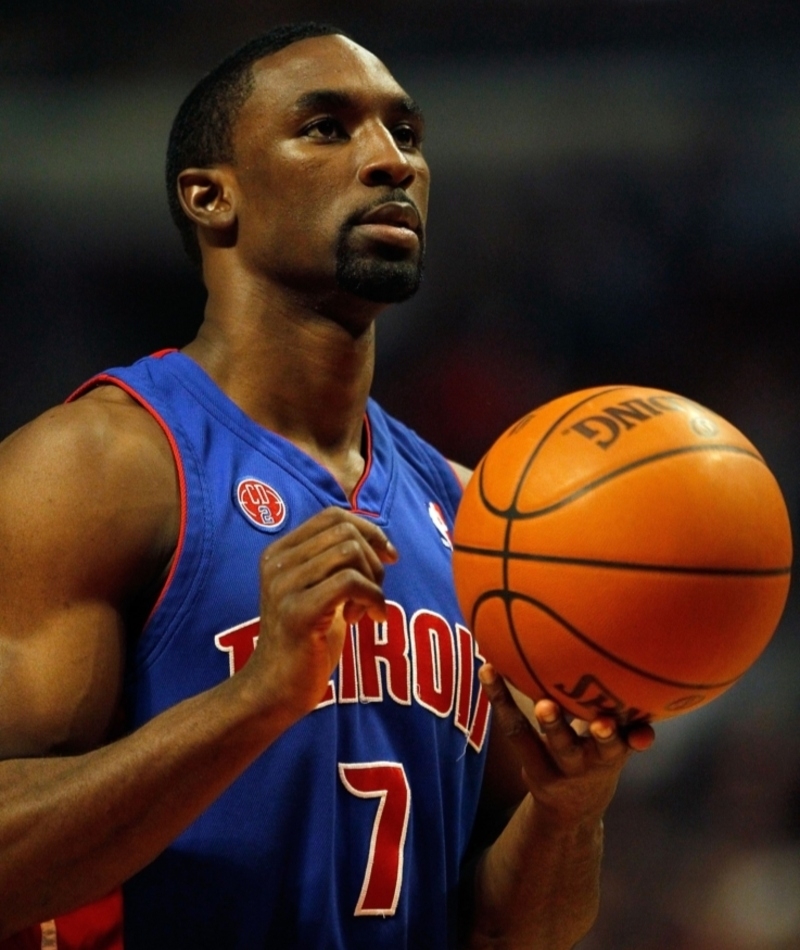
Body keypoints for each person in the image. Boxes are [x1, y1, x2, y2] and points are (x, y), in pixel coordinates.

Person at [0, 22, 654, 949]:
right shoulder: (96, 467)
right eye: (326, 127)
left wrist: (570, 810)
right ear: (210, 197)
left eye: (408, 134)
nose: (392, 162)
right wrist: (255, 699)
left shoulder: (478, 517)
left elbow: (511, 935)